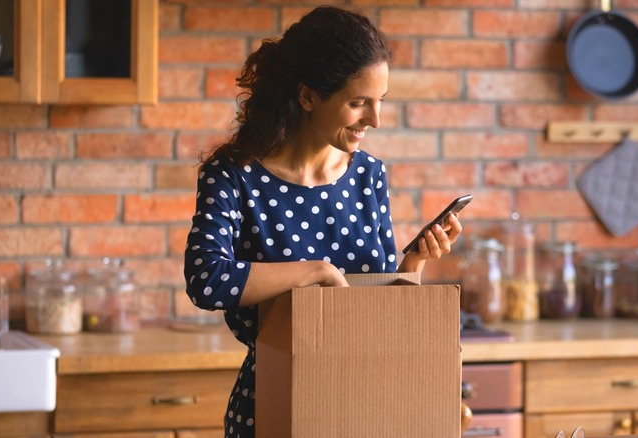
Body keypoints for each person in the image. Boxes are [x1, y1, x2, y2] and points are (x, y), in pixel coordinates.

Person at [183, 5, 462, 437]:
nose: (376, 120)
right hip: (271, 405)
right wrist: (315, 272)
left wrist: (413, 266)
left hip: (365, 406)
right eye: (358, 103)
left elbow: (376, 315)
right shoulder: (234, 175)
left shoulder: (368, 174)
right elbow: (207, 280)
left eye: (380, 102)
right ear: (309, 96)